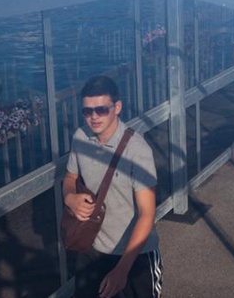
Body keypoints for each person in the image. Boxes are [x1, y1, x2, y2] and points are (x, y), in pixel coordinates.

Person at [64, 75, 163, 298]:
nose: (93, 117)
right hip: (93, 250)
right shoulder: (80, 137)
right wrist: (70, 197)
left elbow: (147, 214)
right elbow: (70, 176)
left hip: (135, 257)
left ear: (117, 107)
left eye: (101, 110)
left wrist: (121, 271)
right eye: (87, 111)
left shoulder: (137, 151)